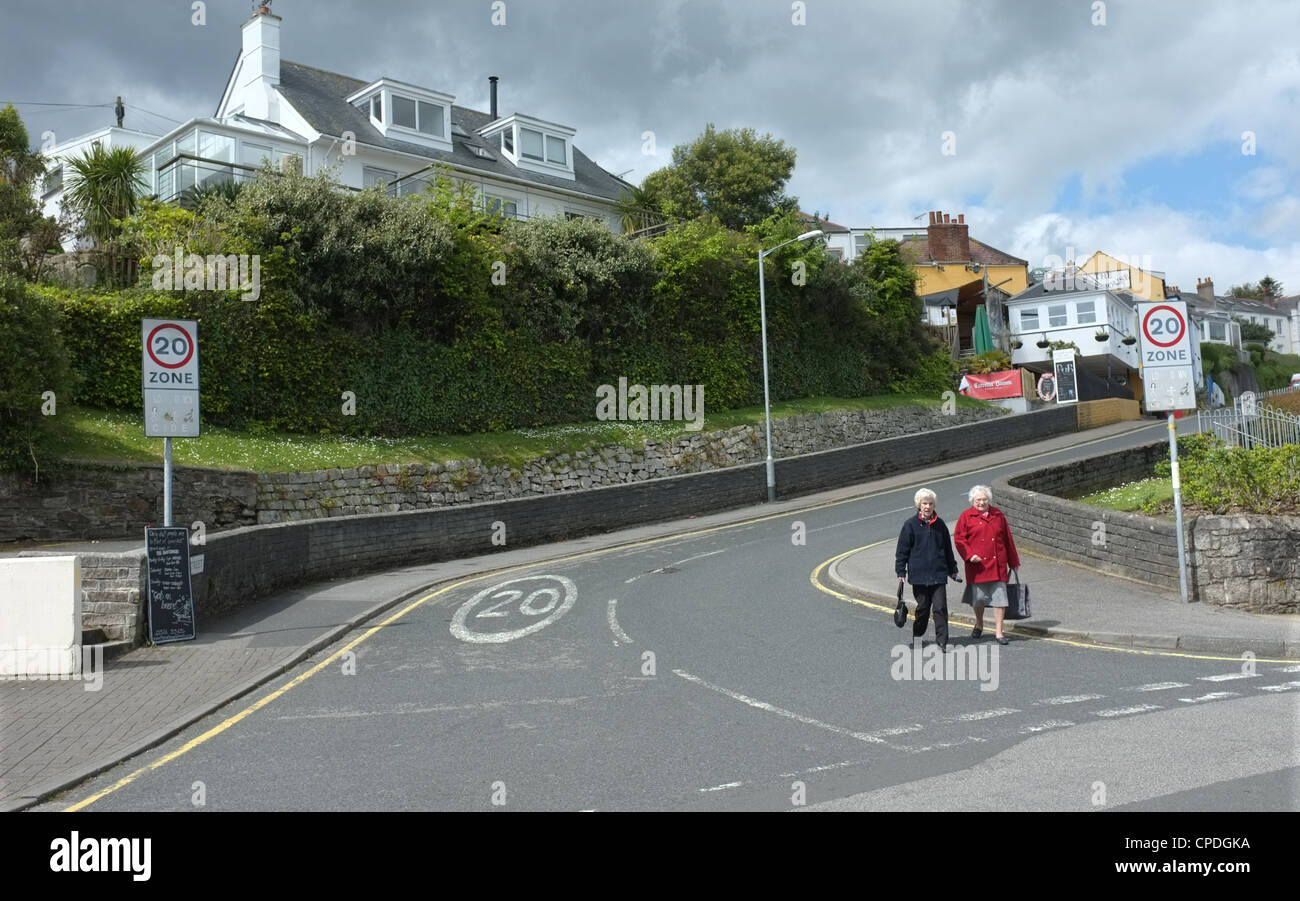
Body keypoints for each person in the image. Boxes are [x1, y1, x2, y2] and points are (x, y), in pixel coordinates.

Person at [953, 484, 1021, 645]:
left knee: (1000, 599)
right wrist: (969, 556)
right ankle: (979, 623)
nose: (981, 503)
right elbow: (959, 540)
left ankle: (999, 632)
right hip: (977, 567)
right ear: (972, 501)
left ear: (989, 500)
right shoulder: (966, 516)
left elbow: (1008, 539)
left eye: (984, 499)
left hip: (998, 565)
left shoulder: (998, 515)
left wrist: (1014, 561)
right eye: (978, 500)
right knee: (978, 600)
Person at [895, 488, 960, 652]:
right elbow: (902, 551)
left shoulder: (940, 524)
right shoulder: (910, 525)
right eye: (925, 503)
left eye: (930, 503)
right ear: (919, 504)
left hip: (938, 574)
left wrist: (953, 570)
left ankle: (942, 641)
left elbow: (947, 549)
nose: (928, 506)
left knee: (940, 607)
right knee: (923, 608)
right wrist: (901, 572)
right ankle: (918, 635)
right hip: (919, 575)